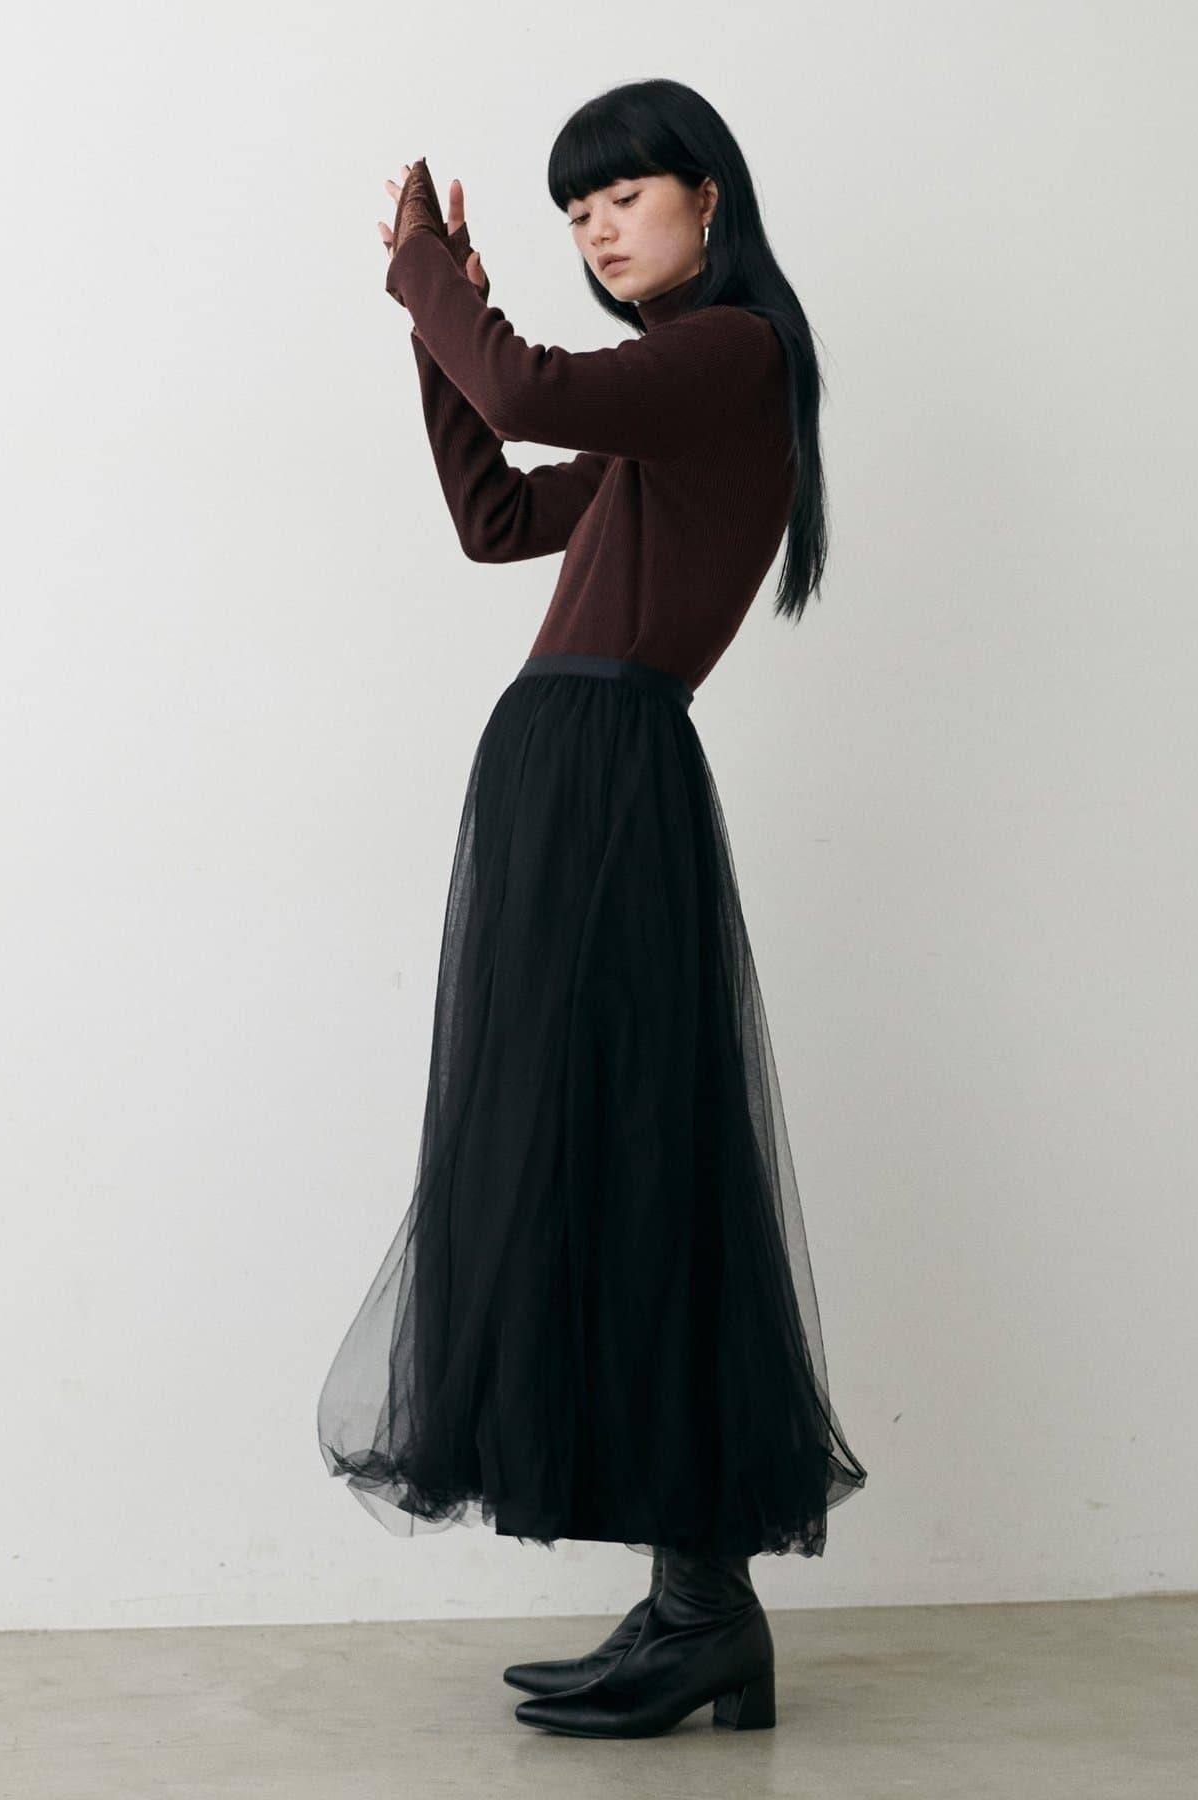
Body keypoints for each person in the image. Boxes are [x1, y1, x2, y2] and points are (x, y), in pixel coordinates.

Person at [316, 77, 866, 1739]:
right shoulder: (662, 419)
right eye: (574, 212)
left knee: (633, 1157)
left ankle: (704, 1614)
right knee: (598, 1155)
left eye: (624, 195)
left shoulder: (733, 355)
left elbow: (532, 386)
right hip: (572, 778)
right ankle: (695, 1611)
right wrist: (439, 332)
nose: (598, 229)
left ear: (711, 198)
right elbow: (496, 515)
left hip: (607, 776)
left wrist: (427, 278)